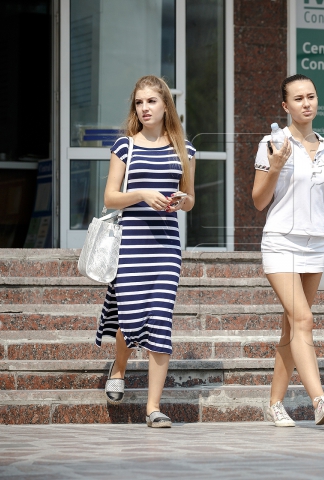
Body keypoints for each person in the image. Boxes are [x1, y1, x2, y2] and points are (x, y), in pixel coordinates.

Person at [95, 75, 196, 428]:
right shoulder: (125, 146)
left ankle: (154, 406)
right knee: (131, 318)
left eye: (151, 101)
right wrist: (141, 194)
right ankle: (119, 367)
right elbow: (110, 197)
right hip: (132, 245)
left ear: (165, 105)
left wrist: (181, 201)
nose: (144, 108)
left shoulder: (185, 148)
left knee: (160, 323)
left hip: (167, 247)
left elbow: (191, 199)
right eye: (139, 103)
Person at [252, 74, 324, 427]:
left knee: (291, 330)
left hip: (314, 248)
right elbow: (259, 201)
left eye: (311, 96)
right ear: (285, 106)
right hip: (280, 243)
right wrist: (276, 166)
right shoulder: (272, 143)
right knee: (304, 321)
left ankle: (275, 403)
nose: (306, 103)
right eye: (298, 98)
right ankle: (319, 400)